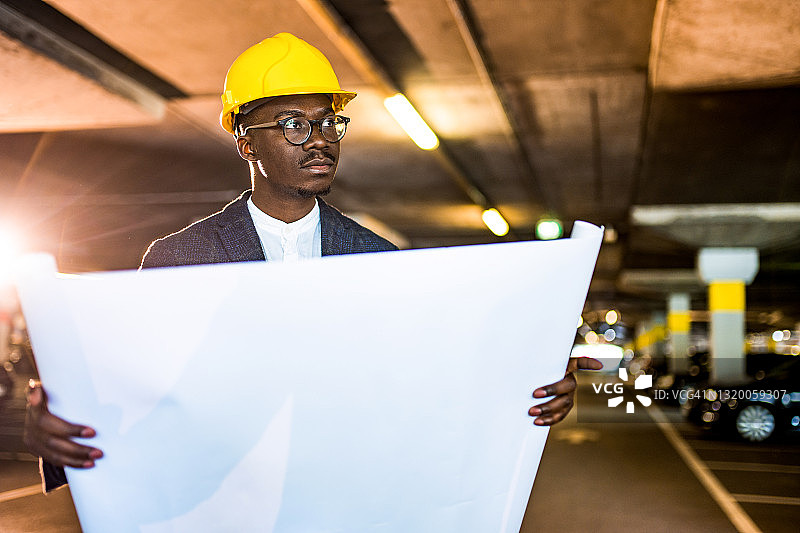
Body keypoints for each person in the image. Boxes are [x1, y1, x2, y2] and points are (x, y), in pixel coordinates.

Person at [24, 33, 602, 491]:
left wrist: (527, 388)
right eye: (294, 125)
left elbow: (419, 387)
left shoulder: (378, 259)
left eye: (328, 123)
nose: (320, 139)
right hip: (232, 501)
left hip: (341, 497)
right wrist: (59, 419)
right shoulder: (179, 260)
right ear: (247, 143)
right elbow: (144, 391)